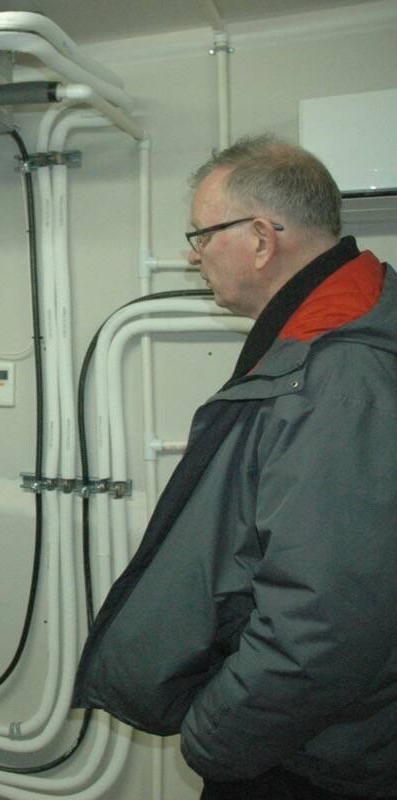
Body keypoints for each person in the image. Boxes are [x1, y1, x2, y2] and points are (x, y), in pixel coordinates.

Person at [73, 135, 397, 799]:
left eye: (201, 233)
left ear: (258, 238)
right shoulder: (319, 345)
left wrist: (215, 738)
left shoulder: (338, 374)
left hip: (310, 761)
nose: (193, 254)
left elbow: (322, 625)